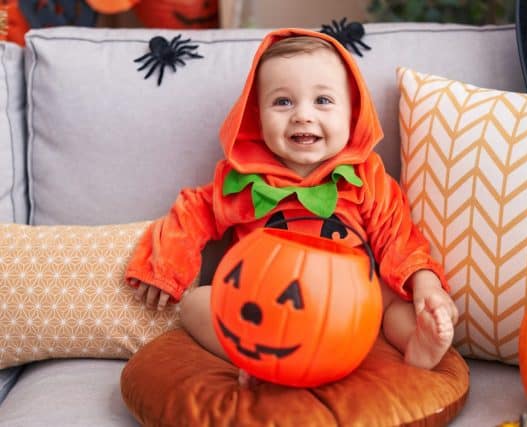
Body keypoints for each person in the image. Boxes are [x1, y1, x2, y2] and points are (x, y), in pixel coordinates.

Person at [125, 28, 459, 379]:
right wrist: (165, 269)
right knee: (197, 303)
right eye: (283, 101)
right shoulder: (242, 179)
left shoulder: (366, 178)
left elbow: (399, 239)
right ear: (257, 114)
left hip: (350, 305)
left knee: (395, 306)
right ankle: (250, 355)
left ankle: (419, 343)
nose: (302, 115)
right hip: (263, 307)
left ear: (353, 113)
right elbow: (193, 212)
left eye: (323, 101)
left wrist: (426, 285)